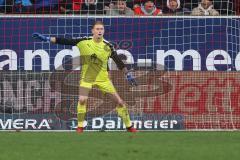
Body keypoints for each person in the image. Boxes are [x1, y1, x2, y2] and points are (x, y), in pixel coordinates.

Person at [32, 21, 138, 133]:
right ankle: (80, 127)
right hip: (86, 78)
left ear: (104, 31)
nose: (99, 31)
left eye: (101, 29)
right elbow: (66, 41)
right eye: (97, 29)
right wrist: (48, 39)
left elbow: (118, 61)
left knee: (120, 102)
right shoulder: (83, 41)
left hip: (103, 79)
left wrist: (128, 74)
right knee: (82, 100)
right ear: (92, 31)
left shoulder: (108, 46)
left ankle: (129, 127)